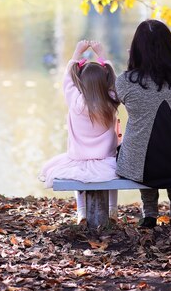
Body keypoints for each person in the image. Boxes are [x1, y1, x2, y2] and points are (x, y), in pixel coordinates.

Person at [116, 20, 171, 228]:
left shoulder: (125, 81)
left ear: (136, 49)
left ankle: (150, 212)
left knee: (139, 148)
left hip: (140, 168)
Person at [40, 40, 120, 225]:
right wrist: (103, 57)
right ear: (105, 82)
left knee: (79, 175)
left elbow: (67, 80)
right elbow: (115, 80)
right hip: (106, 160)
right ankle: (112, 210)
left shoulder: (75, 101)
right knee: (112, 174)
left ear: (81, 84)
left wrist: (77, 53)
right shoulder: (111, 99)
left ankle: (81, 213)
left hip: (79, 159)